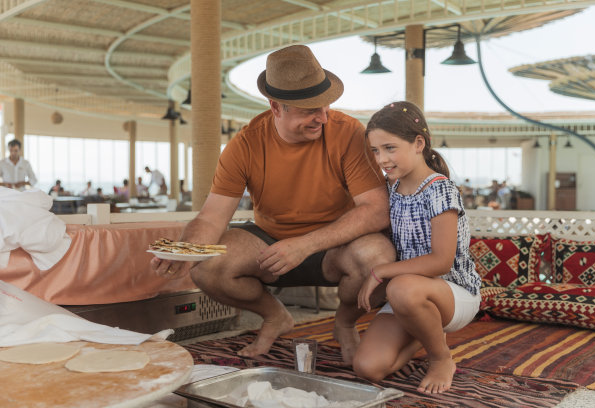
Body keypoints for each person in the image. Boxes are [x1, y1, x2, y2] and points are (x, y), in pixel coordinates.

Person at [151, 44, 394, 364]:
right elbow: (211, 218)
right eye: (310, 110)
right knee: (207, 268)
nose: (323, 117)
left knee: (380, 257)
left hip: (337, 245)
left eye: (325, 106)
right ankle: (275, 315)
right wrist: (185, 250)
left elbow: (376, 209)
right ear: (276, 107)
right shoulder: (245, 144)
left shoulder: (348, 132)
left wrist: (305, 244)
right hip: (269, 245)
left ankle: (344, 322)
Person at [352, 101, 481, 394]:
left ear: (418, 143)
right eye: (375, 151)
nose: (382, 159)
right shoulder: (391, 189)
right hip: (409, 294)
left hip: (453, 293)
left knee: (400, 288)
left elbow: (441, 262)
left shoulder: (440, 190)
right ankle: (423, 331)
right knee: (368, 368)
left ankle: (441, 357)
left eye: (390, 148)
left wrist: (380, 271)